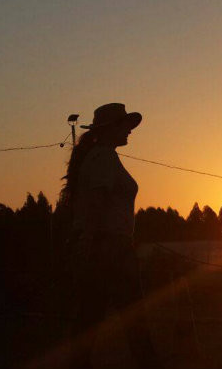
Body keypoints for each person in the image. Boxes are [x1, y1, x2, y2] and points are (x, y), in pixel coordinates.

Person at [60, 103, 161, 368]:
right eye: (124, 126)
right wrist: (91, 242)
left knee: (91, 316)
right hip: (110, 249)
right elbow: (97, 201)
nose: (129, 131)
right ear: (110, 129)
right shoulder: (103, 157)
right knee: (131, 317)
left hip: (105, 247)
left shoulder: (102, 156)